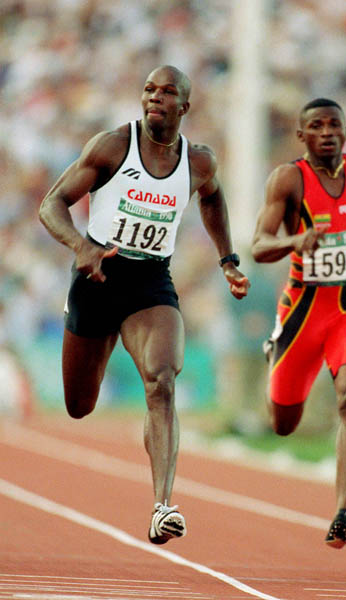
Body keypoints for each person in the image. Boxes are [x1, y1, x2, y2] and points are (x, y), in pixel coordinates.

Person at [39, 65, 250, 545]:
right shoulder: (112, 146)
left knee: (161, 381)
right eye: (149, 89)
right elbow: (52, 203)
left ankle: (162, 506)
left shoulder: (198, 163)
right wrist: (81, 247)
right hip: (97, 276)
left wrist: (228, 260)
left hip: (150, 281)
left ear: (185, 107)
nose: (155, 97)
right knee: (79, 405)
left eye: (168, 91)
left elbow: (212, 201)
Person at [251, 98, 346, 549]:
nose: (326, 132)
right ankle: (273, 355)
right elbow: (259, 244)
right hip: (301, 314)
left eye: (334, 124)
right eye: (315, 126)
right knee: (283, 423)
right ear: (302, 136)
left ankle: (342, 510)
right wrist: (298, 239)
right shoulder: (288, 179)